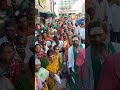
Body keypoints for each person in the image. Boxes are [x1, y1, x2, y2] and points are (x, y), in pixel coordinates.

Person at [84, 21, 120, 90]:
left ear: (106, 34)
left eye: (100, 35)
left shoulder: (118, 49)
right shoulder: (86, 54)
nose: (97, 39)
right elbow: (86, 82)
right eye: (93, 36)